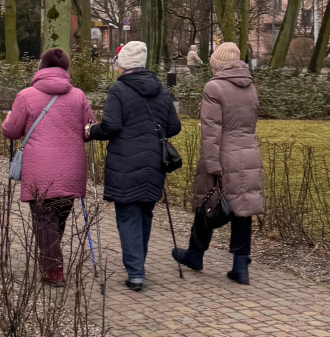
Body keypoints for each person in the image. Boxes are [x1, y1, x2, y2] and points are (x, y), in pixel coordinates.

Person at [87, 41, 181, 292]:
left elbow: (110, 127)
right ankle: (138, 265)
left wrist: (90, 132)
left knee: (128, 216)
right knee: (144, 213)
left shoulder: (118, 89)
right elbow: (174, 127)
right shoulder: (160, 90)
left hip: (125, 162)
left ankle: (136, 272)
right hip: (153, 162)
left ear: (122, 65)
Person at [171, 42, 265, 285]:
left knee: (208, 201)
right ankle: (241, 266)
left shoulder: (213, 88)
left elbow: (212, 132)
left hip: (224, 152)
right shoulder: (251, 86)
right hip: (249, 152)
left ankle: (195, 254)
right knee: (244, 208)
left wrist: (211, 163)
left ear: (218, 65)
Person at [2, 48, 95, 287]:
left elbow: (11, 131)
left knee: (45, 220)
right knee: (58, 217)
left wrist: (9, 117)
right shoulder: (79, 96)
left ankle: (53, 269)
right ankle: (50, 258)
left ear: (40, 68)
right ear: (66, 69)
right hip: (71, 168)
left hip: (40, 171)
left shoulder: (25, 95)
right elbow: (89, 131)